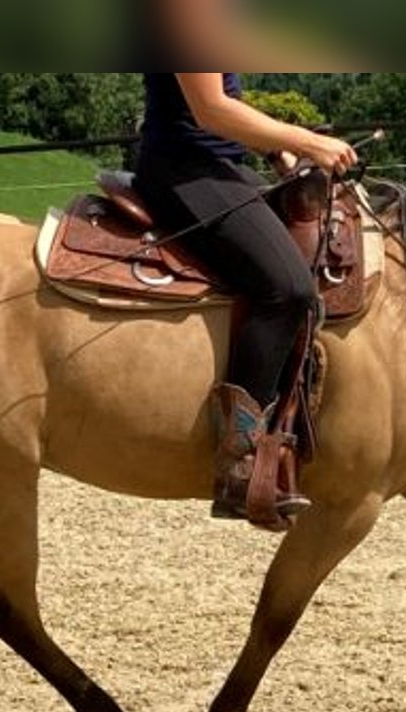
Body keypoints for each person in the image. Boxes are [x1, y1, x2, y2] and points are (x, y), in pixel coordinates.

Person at [131, 73, 357, 524]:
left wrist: (278, 150)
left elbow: (230, 101)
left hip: (218, 167)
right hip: (183, 170)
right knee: (288, 290)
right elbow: (211, 109)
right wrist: (309, 141)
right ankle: (239, 461)